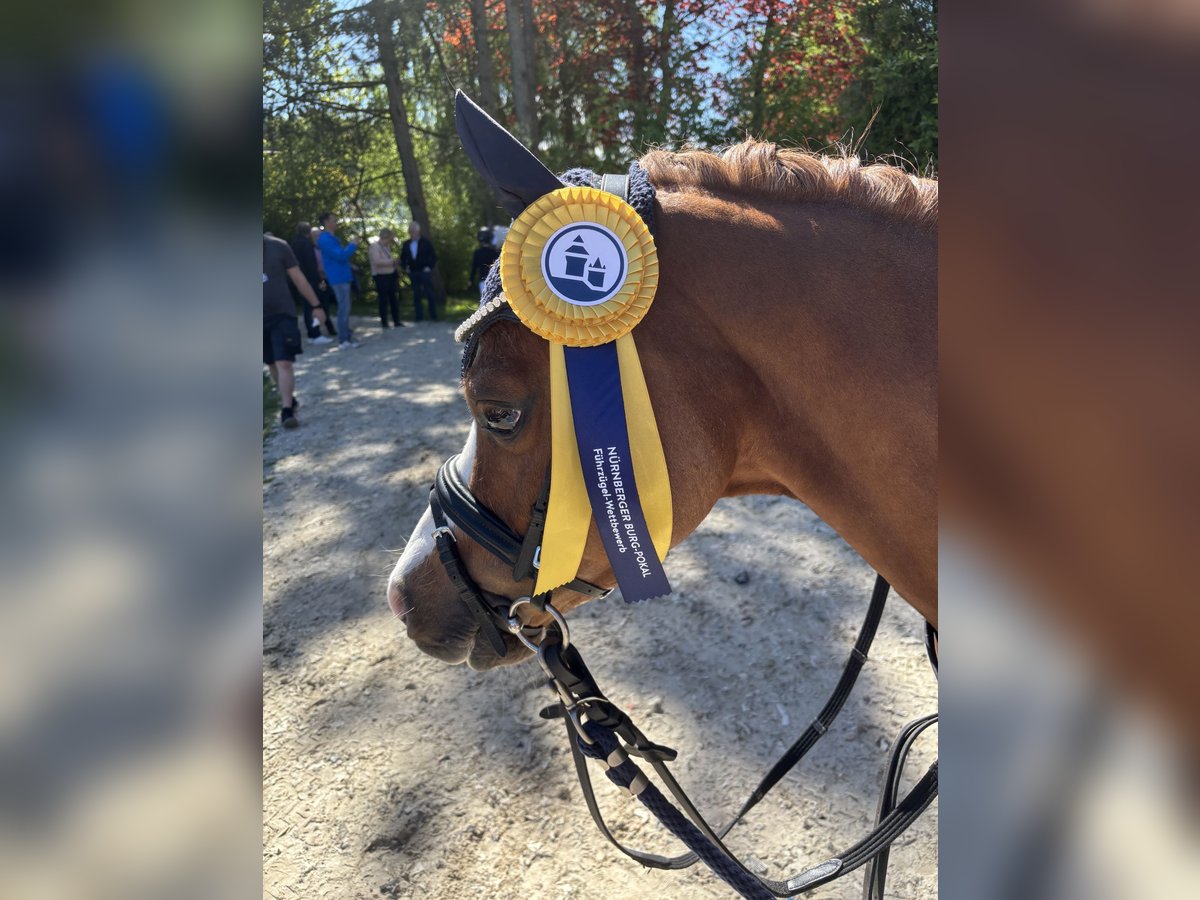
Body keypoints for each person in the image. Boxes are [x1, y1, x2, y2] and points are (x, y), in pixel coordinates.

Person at [264, 233, 327, 428]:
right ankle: (289, 398)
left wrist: (316, 305)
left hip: (283, 313)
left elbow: (299, 278)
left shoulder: (278, 246)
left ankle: (287, 410)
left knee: (284, 362)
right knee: (271, 363)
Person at [316, 211, 363, 348]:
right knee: (343, 309)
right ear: (326, 222)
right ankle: (344, 340)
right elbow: (341, 256)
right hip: (338, 278)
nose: (336, 222)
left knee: (345, 308)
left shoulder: (331, 238)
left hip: (342, 276)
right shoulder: (326, 240)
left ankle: (346, 336)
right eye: (334, 220)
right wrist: (353, 244)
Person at [290, 222, 335, 344]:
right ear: (309, 232)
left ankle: (311, 333)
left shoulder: (294, 243)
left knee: (307, 307)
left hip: (299, 278)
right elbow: (311, 264)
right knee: (313, 306)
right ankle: (315, 334)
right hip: (310, 280)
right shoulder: (306, 244)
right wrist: (319, 280)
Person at [399, 221, 438, 322]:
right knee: (416, 295)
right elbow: (402, 259)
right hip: (413, 272)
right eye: (411, 231)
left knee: (429, 293)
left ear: (418, 231)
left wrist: (429, 267)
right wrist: (405, 268)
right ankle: (418, 316)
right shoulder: (406, 244)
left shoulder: (426, 242)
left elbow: (433, 257)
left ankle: (433, 315)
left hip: (425, 272)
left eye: (414, 231)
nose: (412, 233)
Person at [368, 228, 406, 329]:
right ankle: (384, 322)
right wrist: (392, 262)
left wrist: (394, 264)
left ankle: (396, 320)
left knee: (393, 298)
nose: (391, 241)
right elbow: (377, 262)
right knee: (383, 299)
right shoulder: (374, 247)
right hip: (381, 276)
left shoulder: (386, 247)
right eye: (390, 238)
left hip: (390, 275)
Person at [469, 227, 499, 296]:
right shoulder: (494, 252)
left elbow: (474, 267)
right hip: (493, 280)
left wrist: (471, 280)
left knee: (485, 299)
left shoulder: (477, 252)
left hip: (482, 280)